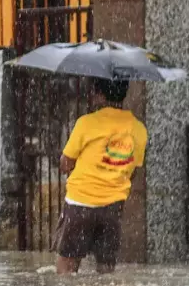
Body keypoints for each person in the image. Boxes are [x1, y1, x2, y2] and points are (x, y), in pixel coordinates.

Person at [56, 78, 148, 275]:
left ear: (100, 94)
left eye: (94, 91)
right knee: (106, 269)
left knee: (67, 265)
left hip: (80, 204)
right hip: (112, 208)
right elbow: (134, 170)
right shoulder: (139, 129)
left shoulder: (86, 123)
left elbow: (65, 164)